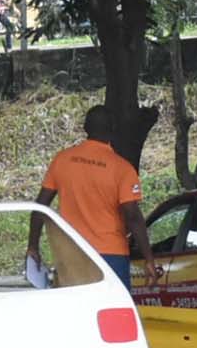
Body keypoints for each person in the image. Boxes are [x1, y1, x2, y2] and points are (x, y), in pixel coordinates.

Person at [29, 105, 157, 289]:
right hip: (110, 254)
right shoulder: (122, 169)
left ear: (85, 128)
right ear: (113, 130)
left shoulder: (62, 160)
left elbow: (40, 205)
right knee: (112, 311)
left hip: (72, 252)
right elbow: (132, 216)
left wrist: (33, 245)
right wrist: (148, 258)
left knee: (76, 311)